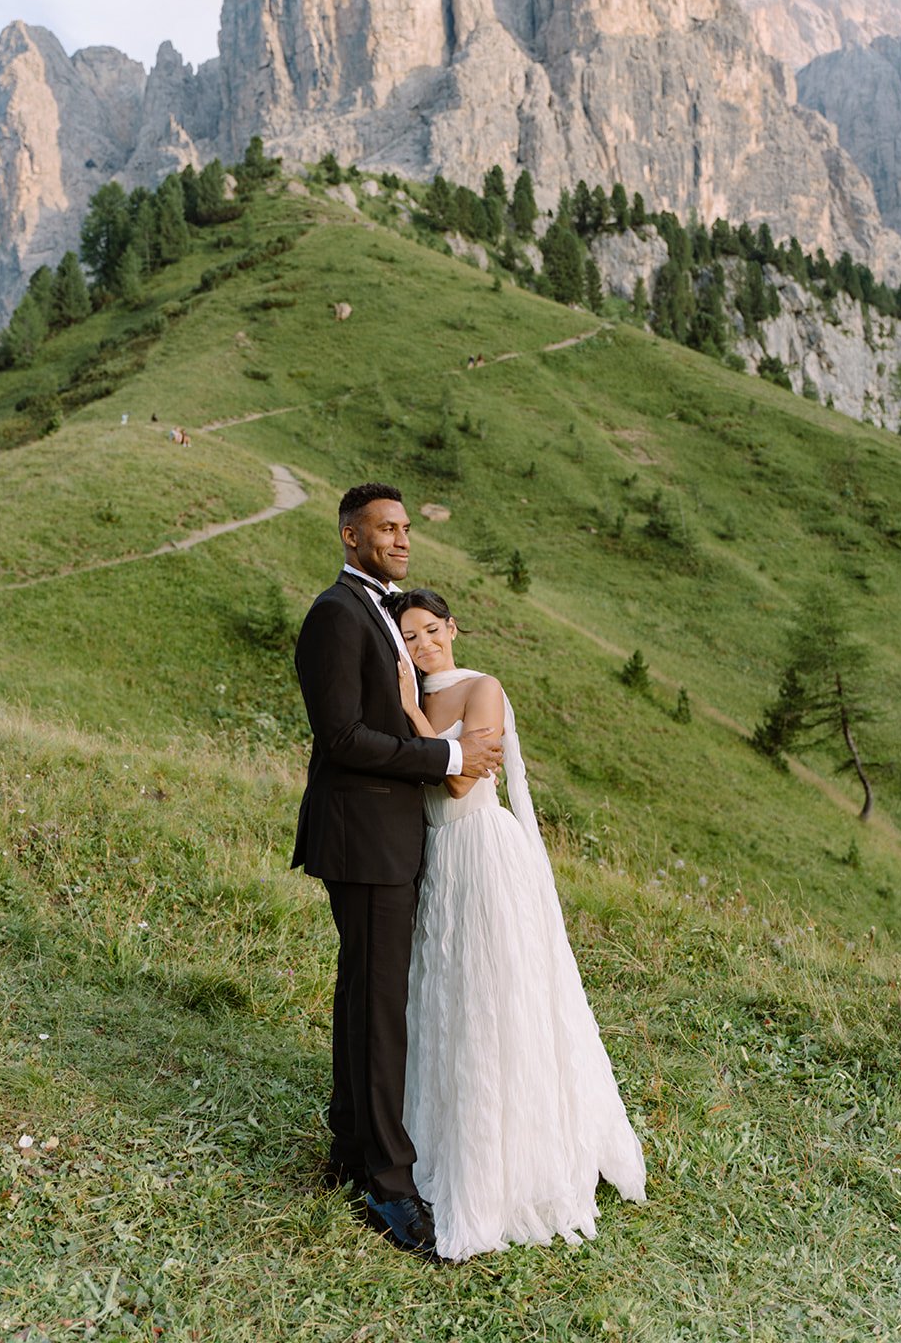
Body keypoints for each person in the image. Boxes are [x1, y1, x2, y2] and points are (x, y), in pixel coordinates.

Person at [390, 587, 647, 1262]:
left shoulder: (482, 688)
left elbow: (457, 781)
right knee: (447, 1000)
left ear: (451, 627)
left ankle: (516, 1154)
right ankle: (445, 1136)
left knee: (498, 997)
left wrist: (411, 711)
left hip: (482, 850)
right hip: (437, 860)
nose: (422, 646)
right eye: (408, 639)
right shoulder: (408, 696)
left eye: (428, 631)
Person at [292, 485, 503, 1260]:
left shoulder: (378, 610)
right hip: (363, 836)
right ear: (350, 535)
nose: (399, 539)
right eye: (384, 528)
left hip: (382, 835)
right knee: (381, 1006)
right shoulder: (334, 614)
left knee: (364, 991)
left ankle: (350, 1148)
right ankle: (388, 1185)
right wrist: (446, 756)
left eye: (405, 528)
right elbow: (341, 735)